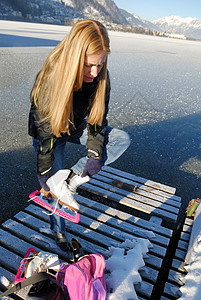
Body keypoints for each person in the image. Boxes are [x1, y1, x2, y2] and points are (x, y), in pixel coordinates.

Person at [29, 19, 130, 251]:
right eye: (88, 65)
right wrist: (45, 174)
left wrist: (95, 154)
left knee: (120, 139)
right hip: (49, 132)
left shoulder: (100, 76)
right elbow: (45, 133)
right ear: (74, 57)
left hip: (74, 125)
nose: (94, 72)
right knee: (55, 188)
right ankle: (59, 231)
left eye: (100, 64)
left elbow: (97, 119)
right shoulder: (49, 79)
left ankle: (70, 179)